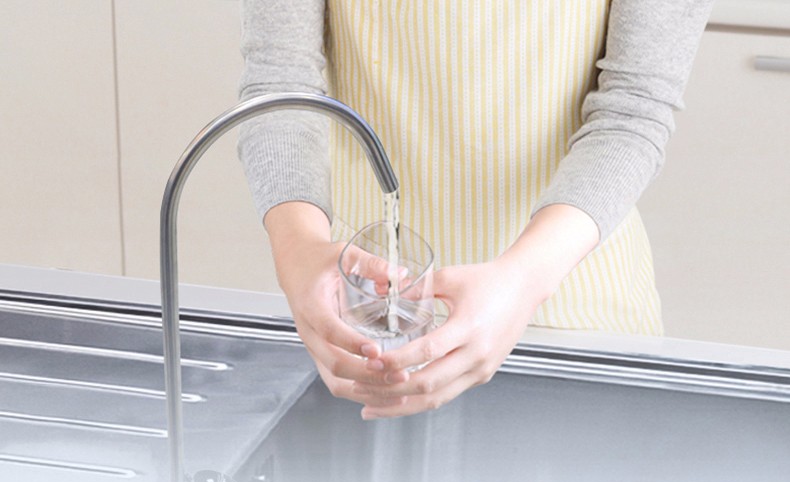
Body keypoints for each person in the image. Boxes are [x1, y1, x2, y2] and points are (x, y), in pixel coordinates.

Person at [237, 0, 715, 419]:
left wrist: (525, 278)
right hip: (366, 326)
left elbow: (633, 111)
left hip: (575, 316)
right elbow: (281, 82)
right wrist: (298, 249)